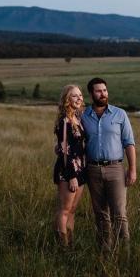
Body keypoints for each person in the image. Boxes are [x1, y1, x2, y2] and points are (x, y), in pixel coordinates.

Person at [82, 77, 136, 252]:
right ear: (91, 94)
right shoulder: (83, 115)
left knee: (119, 214)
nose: (103, 94)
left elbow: (129, 143)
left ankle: (125, 254)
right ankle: (105, 253)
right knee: (100, 215)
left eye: (105, 90)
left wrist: (132, 170)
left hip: (115, 169)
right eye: (98, 91)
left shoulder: (120, 114)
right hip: (92, 169)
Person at [53, 84, 87, 247]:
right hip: (68, 171)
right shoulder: (64, 121)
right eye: (74, 96)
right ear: (67, 99)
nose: (79, 98)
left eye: (80, 95)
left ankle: (70, 243)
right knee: (65, 210)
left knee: (72, 210)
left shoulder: (77, 118)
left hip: (80, 170)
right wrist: (72, 175)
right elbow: (64, 151)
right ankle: (62, 246)